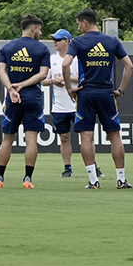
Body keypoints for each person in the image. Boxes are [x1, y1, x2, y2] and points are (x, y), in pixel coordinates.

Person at [62, 8, 133, 189]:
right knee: (115, 135)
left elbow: (65, 64)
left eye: (79, 24)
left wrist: (70, 88)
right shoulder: (111, 41)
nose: (78, 28)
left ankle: (94, 181)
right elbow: (129, 66)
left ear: (85, 22)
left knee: (86, 137)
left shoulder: (78, 42)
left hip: (86, 94)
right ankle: (121, 179)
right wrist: (121, 90)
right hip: (107, 93)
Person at [0, 14, 50, 189]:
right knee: (31, 140)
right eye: (39, 29)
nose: (40, 32)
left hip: (12, 99)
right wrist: (22, 86)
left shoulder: (8, 47)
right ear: (33, 28)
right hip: (33, 98)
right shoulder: (42, 49)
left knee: (7, 140)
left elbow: (0, 71)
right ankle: (27, 179)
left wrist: (11, 89)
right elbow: (43, 74)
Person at [43, 29, 80, 178]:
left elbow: (82, 77)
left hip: (77, 104)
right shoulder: (52, 59)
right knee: (64, 137)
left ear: (67, 41)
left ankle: (94, 166)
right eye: (54, 39)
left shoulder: (76, 59)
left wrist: (66, 79)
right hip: (59, 106)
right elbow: (44, 80)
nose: (54, 42)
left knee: (86, 136)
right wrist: (54, 80)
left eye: (58, 40)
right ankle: (67, 167)